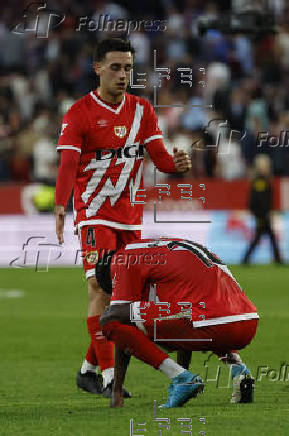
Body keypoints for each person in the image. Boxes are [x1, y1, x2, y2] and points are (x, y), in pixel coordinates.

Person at [54, 38, 191, 396]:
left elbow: (159, 158)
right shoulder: (79, 113)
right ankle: (110, 376)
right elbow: (68, 163)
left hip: (130, 218)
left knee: (128, 300)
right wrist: (59, 205)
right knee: (98, 286)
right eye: (115, 67)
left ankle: (88, 368)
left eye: (128, 67)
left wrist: (175, 166)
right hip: (94, 214)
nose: (123, 74)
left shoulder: (143, 110)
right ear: (97, 68)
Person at [98, 238, 259, 408]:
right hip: (246, 321)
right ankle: (239, 370)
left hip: (213, 321)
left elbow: (116, 318)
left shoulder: (122, 259)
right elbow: (182, 319)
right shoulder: (159, 250)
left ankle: (181, 378)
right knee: (186, 312)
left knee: (110, 320)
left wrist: (116, 390)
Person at [242, 154, 282, 264]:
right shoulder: (260, 181)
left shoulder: (262, 180)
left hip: (263, 214)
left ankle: (246, 259)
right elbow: (259, 200)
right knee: (262, 237)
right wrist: (264, 213)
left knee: (265, 237)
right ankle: (277, 259)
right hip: (262, 215)